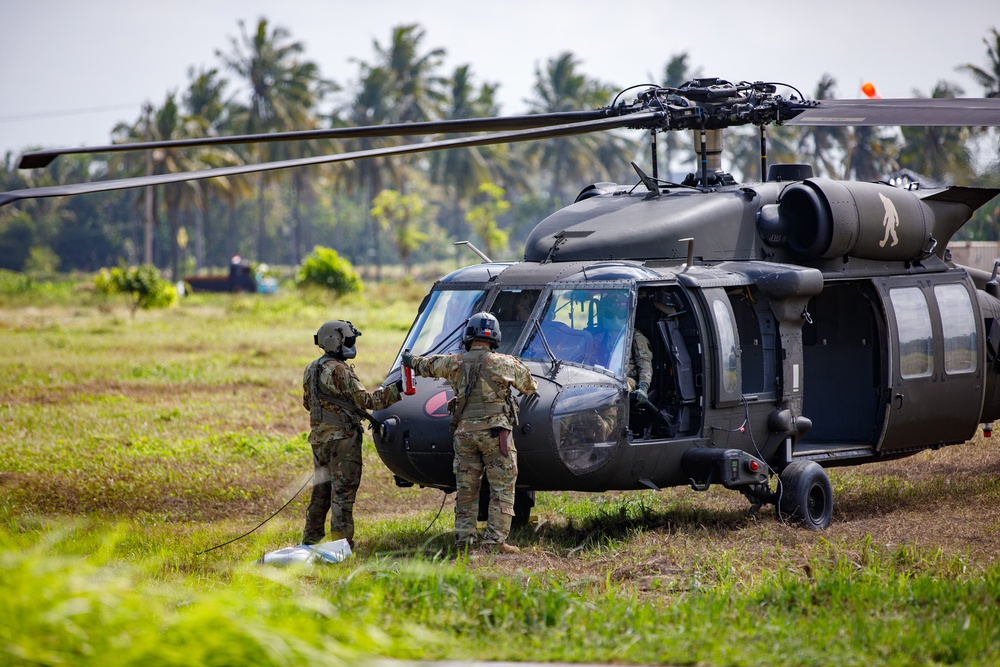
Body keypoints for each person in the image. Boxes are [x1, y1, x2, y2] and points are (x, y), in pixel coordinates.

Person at [403, 312, 538, 553]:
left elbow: (426, 365)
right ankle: (494, 542)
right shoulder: (504, 363)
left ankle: (464, 540)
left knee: (467, 489)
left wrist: (411, 360)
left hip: (464, 434)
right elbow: (529, 387)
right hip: (496, 435)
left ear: (469, 336)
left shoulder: (452, 362)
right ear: (494, 337)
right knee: (502, 487)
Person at [302, 319, 402, 549]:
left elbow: (308, 404)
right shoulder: (340, 370)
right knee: (342, 495)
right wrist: (399, 389)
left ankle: (310, 540)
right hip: (343, 442)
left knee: (321, 492)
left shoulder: (311, 367)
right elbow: (368, 401)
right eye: (348, 340)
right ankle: (340, 546)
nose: (351, 344)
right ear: (335, 341)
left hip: (319, 441)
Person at [588, 291, 653, 403]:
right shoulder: (598, 338)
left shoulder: (635, 338)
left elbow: (645, 364)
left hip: (625, 380)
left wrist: (643, 387)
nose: (614, 320)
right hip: (599, 378)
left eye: (619, 315)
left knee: (612, 392)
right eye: (609, 315)